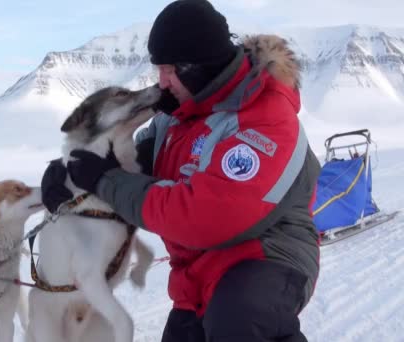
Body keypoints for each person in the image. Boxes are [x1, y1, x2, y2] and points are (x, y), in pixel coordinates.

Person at [42, 0, 321, 341]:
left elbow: (205, 216)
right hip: (199, 270)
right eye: (159, 68)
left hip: (267, 256)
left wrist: (103, 179)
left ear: (198, 66)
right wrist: (71, 173)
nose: (162, 82)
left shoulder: (265, 118)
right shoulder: (177, 117)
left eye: (171, 69)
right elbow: (131, 165)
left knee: (238, 321)